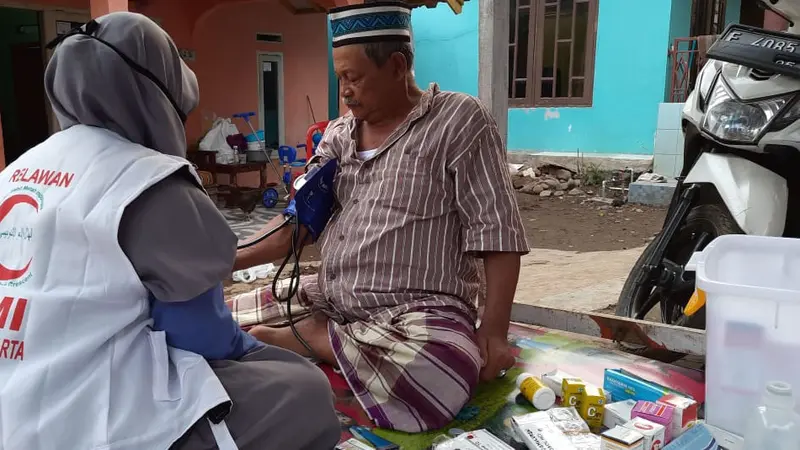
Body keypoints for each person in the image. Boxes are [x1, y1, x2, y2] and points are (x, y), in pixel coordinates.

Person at [0, 12, 339, 450]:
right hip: (94, 416)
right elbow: (201, 339)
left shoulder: (18, 172)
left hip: (12, 399)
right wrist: (261, 354)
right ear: (153, 94)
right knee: (304, 392)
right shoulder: (148, 181)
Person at [233, 1, 530, 433]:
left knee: (442, 365)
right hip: (329, 297)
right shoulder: (338, 135)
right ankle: (327, 337)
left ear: (396, 65)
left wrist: (496, 330)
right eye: (340, 79)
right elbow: (297, 223)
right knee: (222, 316)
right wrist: (221, 259)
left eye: (353, 78)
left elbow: (497, 231)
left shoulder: (458, 120)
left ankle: (313, 338)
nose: (345, 92)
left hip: (416, 314)